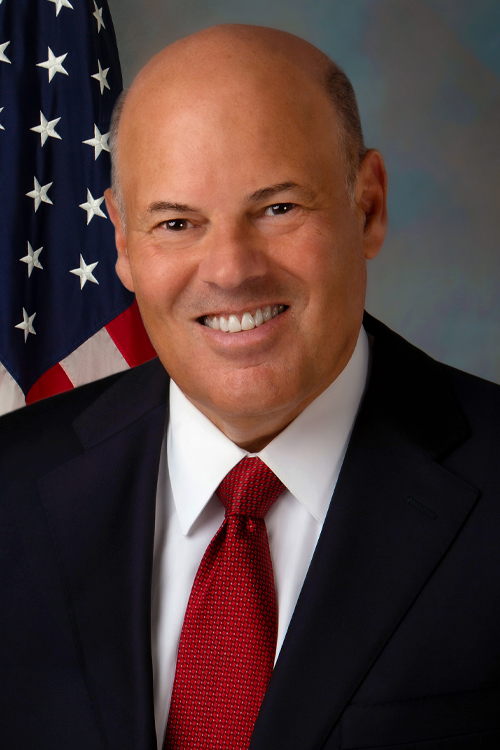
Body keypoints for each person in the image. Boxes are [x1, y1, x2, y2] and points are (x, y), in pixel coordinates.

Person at [1, 23, 499, 750]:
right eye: (176, 222)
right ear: (122, 244)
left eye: (278, 209)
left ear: (368, 206)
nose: (231, 270)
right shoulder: (11, 486)